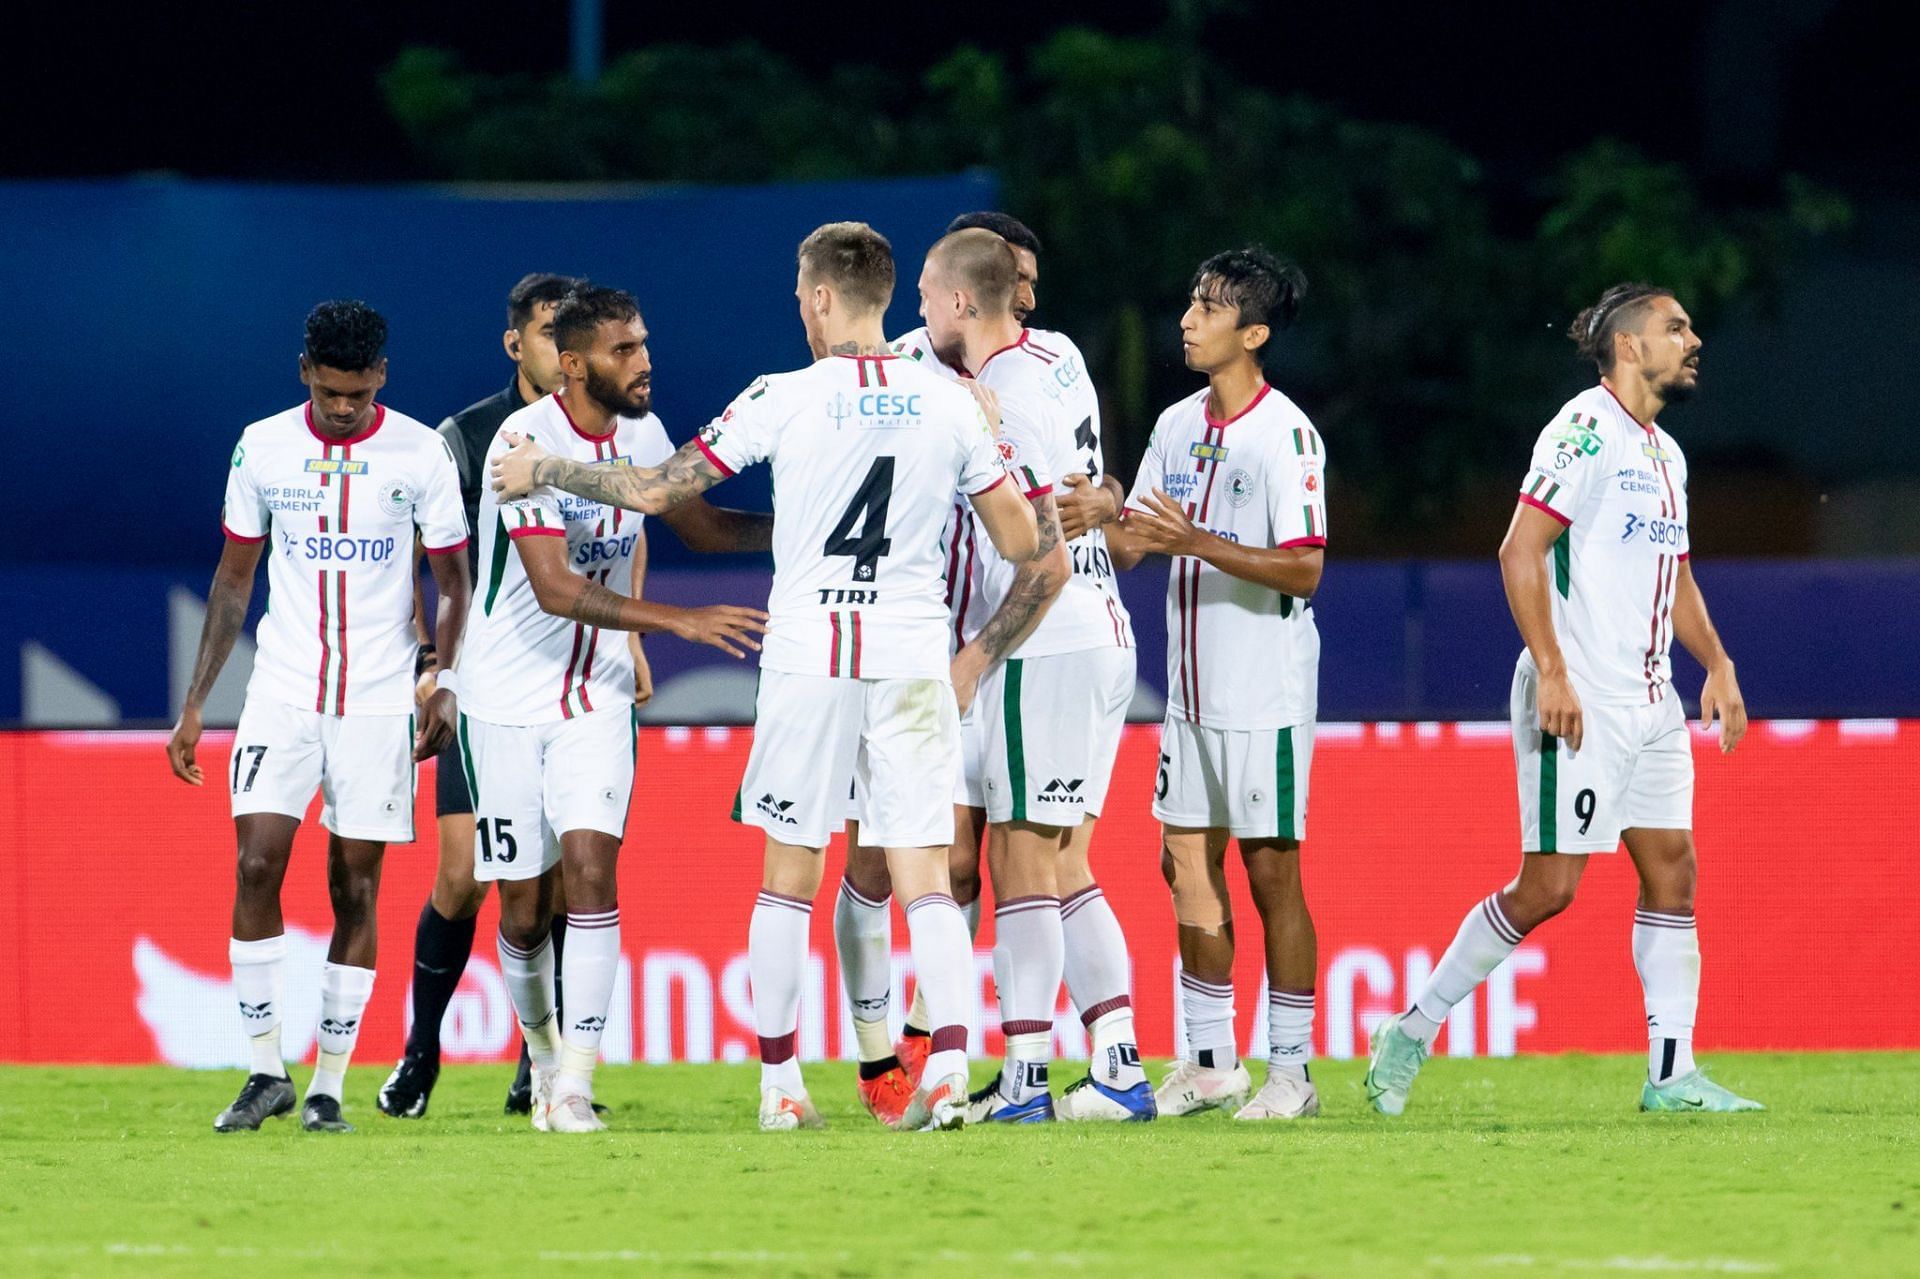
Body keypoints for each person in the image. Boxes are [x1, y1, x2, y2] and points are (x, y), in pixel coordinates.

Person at [491, 222, 1042, 1132]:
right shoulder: (950, 404)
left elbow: (661, 489)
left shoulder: (779, 397)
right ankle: (949, 1066)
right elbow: (1025, 546)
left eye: (799, 288)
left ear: (822, 296)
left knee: (789, 876)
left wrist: (545, 466)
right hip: (909, 651)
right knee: (925, 877)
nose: (797, 302)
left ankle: (782, 1088)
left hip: (810, 653)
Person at [380, 274, 775, 1120]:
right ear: (572, 365)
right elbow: (556, 586)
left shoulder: (647, 430)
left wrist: (803, 523)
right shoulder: (518, 444)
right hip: (504, 698)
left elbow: (698, 526)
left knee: (593, 872)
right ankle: (546, 1049)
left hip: (593, 694)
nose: (644, 361)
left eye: (643, 344)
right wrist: (679, 621)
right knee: (521, 911)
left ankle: (577, 1084)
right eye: (623, 349)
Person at [1365, 283, 1762, 1116]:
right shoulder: (1584, 429)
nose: (1694, 340)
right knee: (1548, 887)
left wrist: (1717, 662)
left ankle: (1672, 1072)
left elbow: (1675, 572)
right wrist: (1551, 669)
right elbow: (1519, 549)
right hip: (1578, 694)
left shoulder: (1665, 453)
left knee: (1673, 873)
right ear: (1628, 346)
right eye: (1676, 328)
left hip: (1651, 703)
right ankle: (1411, 1026)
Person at [167, 300, 472, 1134]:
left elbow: (453, 580)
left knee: (355, 884)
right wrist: (197, 702)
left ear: (381, 375)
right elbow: (235, 579)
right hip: (284, 690)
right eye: (330, 390)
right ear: (305, 370)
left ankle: (330, 1082)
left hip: (376, 700)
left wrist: (444, 678)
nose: (343, 406)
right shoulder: (262, 446)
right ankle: (266, 1069)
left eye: (357, 390)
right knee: (257, 863)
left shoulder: (420, 453)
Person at [907, 228, 1151, 1125]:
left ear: (962, 303)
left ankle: (1025, 1079)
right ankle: (1119, 1065)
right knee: (1060, 858)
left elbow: (1040, 551)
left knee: (1019, 861)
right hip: (1104, 631)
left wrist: (974, 659)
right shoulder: (1059, 355)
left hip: (1043, 639)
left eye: (929, 297)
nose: (921, 314)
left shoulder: (996, 396)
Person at [1104, 247, 1329, 1121]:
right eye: (1191, 302)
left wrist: (1194, 541)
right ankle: (1207, 1063)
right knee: (1182, 861)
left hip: (1262, 690)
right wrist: (1108, 515)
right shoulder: (1173, 426)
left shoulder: (1288, 435)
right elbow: (1133, 543)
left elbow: (1304, 570)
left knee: (1273, 873)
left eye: (1208, 307)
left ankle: (1292, 1073)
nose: (1189, 319)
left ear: (1255, 332)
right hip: (1190, 693)